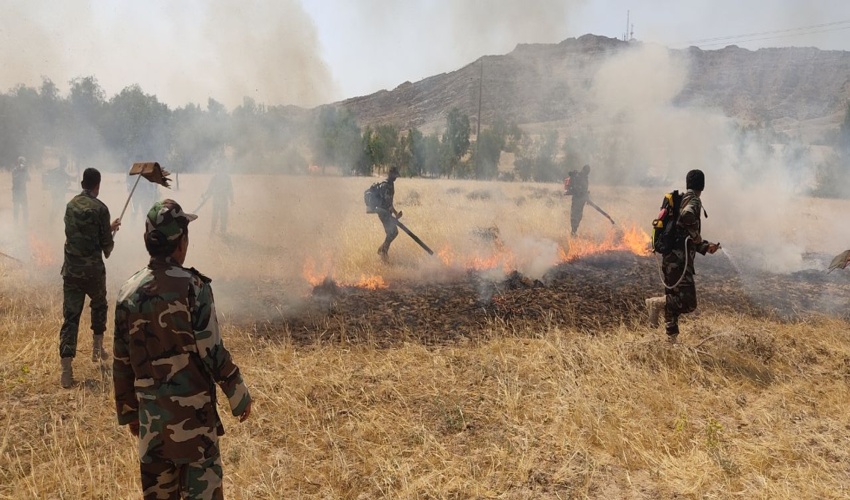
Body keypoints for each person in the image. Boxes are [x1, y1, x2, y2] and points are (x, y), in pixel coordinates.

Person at [113, 199, 252, 499]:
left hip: (153, 429)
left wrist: (130, 413)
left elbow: (121, 361)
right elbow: (212, 351)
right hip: (195, 430)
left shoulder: (127, 293)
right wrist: (239, 395)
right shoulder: (194, 288)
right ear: (181, 243)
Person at [59, 167, 122, 388]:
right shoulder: (101, 209)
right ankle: (97, 348)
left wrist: (106, 228)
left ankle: (66, 371)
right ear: (98, 185)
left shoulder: (70, 206)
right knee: (99, 305)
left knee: (70, 318)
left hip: (71, 271)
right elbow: (106, 247)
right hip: (93, 271)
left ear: (82, 183)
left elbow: (79, 234)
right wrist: (110, 233)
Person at [646, 169, 720, 343]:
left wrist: (704, 246)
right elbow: (686, 217)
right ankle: (655, 303)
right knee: (688, 302)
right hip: (679, 261)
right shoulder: (693, 200)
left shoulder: (681, 200)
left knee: (672, 300)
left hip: (670, 258)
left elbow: (682, 234)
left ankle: (671, 341)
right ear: (702, 185)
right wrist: (697, 237)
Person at [371, 167, 402, 262]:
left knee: (391, 232)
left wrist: (394, 213)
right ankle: (383, 251)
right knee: (393, 232)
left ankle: (383, 251)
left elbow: (389, 202)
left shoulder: (390, 184)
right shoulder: (386, 185)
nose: (396, 177)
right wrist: (395, 213)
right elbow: (387, 202)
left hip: (386, 212)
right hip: (383, 212)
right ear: (390, 174)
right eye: (395, 175)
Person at [204, 168, 234, 234]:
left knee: (223, 216)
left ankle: (222, 231)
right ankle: (213, 230)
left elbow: (230, 190)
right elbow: (210, 189)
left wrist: (231, 199)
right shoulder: (216, 178)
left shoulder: (226, 178)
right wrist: (205, 195)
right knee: (216, 215)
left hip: (223, 200)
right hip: (217, 200)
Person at [567, 164, 590, 236]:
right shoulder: (577, 176)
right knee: (574, 215)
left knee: (579, 216)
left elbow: (585, 189)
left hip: (582, 200)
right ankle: (573, 232)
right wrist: (580, 192)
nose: (587, 173)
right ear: (583, 170)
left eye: (588, 172)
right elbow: (576, 188)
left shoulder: (585, 178)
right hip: (576, 199)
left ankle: (574, 231)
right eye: (586, 171)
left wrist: (587, 197)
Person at [12, 156, 30, 224]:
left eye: (23, 162)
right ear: (18, 162)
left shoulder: (24, 170)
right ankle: (15, 223)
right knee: (16, 208)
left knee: (25, 208)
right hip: (16, 191)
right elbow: (15, 178)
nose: (22, 164)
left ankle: (25, 223)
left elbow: (29, 179)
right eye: (21, 162)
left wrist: (25, 171)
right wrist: (20, 171)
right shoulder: (15, 170)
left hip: (22, 191)